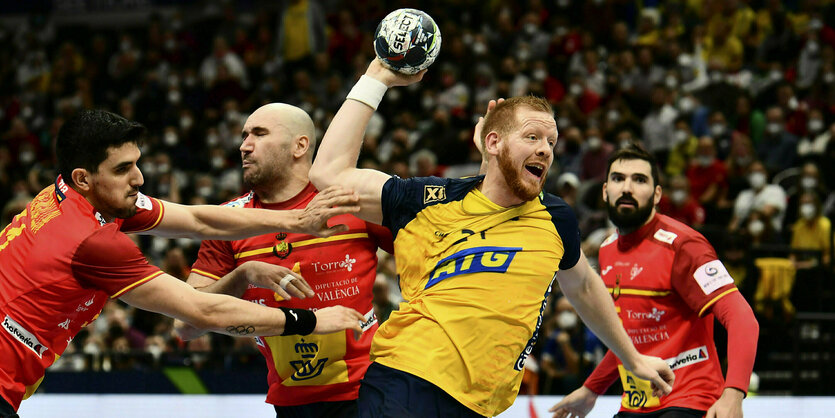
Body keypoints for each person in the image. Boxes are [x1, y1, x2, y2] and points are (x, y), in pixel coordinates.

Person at [308, 59, 674, 418]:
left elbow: (584, 289)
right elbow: (328, 173)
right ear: (494, 142)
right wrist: (378, 77)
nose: (546, 149)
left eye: (551, 140)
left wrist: (633, 358)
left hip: (482, 405)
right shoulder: (428, 199)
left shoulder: (555, 216)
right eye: (532, 137)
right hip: (406, 381)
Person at [0, 109, 366, 417]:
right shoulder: (92, 241)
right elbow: (199, 312)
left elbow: (196, 221)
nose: (139, 179)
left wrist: (296, 221)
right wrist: (313, 320)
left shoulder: (72, 195)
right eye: (123, 168)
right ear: (84, 178)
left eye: (137, 164)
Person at [177, 103, 392, 418]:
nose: (244, 146)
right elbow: (185, 326)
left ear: (300, 146)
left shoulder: (347, 199)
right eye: (244, 135)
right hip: (291, 401)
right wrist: (243, 274)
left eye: (259, 134)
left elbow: (430, 261)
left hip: (369, 391)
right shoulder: (228, 221)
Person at [550, 145, 759, 418]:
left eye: (639, 179)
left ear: (657, 194)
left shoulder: (684, 245)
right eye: (618, 178)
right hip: (636, 403)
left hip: (689, 400)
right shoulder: (607, 249)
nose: (627, 188)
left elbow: (743, 318)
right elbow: (627, 337)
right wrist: (591, 389)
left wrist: (733, 394)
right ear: (604, 191)